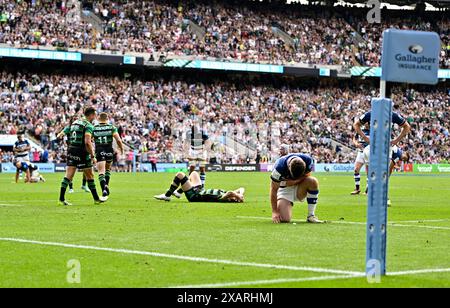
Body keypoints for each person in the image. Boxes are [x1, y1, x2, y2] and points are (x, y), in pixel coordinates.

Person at [58, 107, 108, 206]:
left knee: (69, 175)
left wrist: (61, 133)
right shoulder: (88, 125)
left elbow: (68, 130)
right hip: (82, 152)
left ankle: (61, 198)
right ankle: (96, 198)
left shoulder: (76, 122)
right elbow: (87, 142)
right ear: (92, 115)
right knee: (90, 175)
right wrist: (93, 156)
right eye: (95, 114)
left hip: (72, 150)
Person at [270, 153, 323, 224]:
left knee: (313, 181)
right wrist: (274, 211)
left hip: (299, 185)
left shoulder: (308, 160)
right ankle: (285, 204)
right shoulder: (279, 168)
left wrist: (293, 181)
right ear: (288, 167)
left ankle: (311, 215)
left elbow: (308, 175)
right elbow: (273, 189)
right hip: (284, 190)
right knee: (285, 219)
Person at [154, 171, 245, 203]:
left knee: (180, 175)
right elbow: (241, 188)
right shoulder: (230, 195)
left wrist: (237, 196)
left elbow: (230, 193)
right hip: (200, 190)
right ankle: (178, 193)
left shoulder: (224, 198)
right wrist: (240, 194)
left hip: (194, 196)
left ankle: (167, 195)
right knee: (194, 173)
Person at [93, 112, 124, 197]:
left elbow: (90, 140)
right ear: (107, 119)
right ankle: (107, 185)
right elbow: (118, 140)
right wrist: (121, 149)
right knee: (107, 169)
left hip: (99, 149)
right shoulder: (112, 127)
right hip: (109, 149)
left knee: (101, 171)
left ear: (98, 119)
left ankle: (104, 189)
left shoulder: (94, 128)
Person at [57, 122, 89, 194]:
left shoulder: (81, 127)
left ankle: (84, 185)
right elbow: (61, 133)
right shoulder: (69, 127)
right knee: (71, 171)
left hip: (80, 151)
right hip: (72, 151)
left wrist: (60, 135)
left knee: (85, 169)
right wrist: (60, 134)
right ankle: (71, 188)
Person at [350, 125, 370, 195]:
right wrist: (356, 143)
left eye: (367, 122)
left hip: (369, 153)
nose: (366, 123)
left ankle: (368, 190)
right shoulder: (360, 130)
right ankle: (357, 189)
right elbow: (354, 138)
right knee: (356, 169)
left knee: (368, 172)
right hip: (361, 152)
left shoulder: (373, 130)